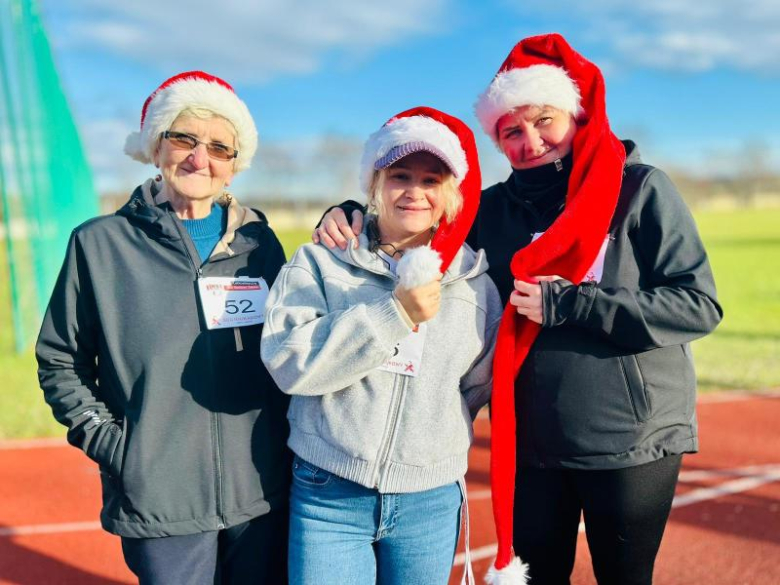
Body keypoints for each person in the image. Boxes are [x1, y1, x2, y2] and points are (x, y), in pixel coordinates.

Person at [313, 34, 722, 585]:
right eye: (512, 130)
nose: (530, 141)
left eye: (544, 121)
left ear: (576, 117)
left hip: (632, 440)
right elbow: (416, 222)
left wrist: (574, 303)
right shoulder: (493, 210)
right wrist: (352, 211)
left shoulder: (640, 190)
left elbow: (696, 304)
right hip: (527, 441)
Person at [35, 71, 291, 585]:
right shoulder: (99, 244)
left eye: (220, 147)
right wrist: (118, 446)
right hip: (161, 498)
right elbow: (61, 359)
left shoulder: (260, 244)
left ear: (234, 166)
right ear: (156, 147)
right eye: (184, 138)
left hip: (261, 492)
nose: (201, 157)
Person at [261, 106, 502, 585]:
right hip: (329, 491)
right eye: (400, 176)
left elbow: (476, 387)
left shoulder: (478, 287)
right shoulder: (319, 262)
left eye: (431, 180)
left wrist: (429, 443)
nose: (414, 191)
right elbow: (289, 362)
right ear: (374, 184)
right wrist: (394, 316)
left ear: (450, 194)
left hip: (429, 500)